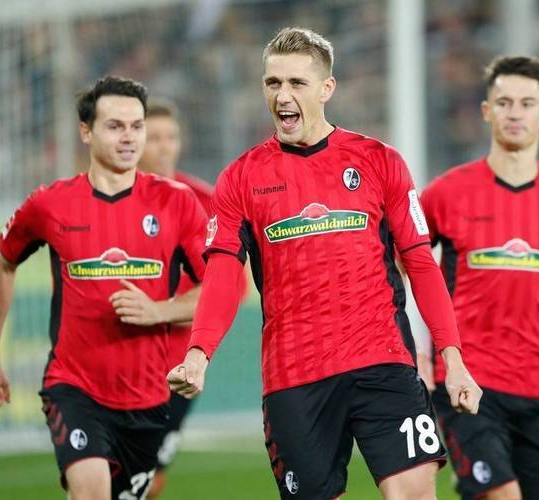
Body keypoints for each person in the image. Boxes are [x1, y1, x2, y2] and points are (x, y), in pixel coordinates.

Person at [167, 27, 482, 499]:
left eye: (297, 82)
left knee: (415, 492)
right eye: (273, 83)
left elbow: (420, 264)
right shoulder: (240, 179)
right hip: (295, 376)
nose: (283, 95)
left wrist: (452, 359)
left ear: (326, 88)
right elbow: (223, 275)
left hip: (382, 360)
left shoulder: (379, 161)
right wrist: (199, 352)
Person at [0, 76, 208, 500]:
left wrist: (160, 311)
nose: (129, 137)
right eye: (115, 126)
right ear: (86, 132)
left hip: (148, 396)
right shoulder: (50, 204)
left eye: (136, 126)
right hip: (73, 386)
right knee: (92, 491)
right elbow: (3, 262)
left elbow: (219, 290)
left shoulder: (178, 202)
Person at [419, 55, 539, 500]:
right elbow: (404, 264)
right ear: (487, 111)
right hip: (467, 382)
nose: (514, 113)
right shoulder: (446, 194)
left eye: (526, 103)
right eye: (504, 103)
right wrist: (417, 350)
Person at [137, 97, 246, 498]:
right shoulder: (114, 199)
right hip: (122, 354)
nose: (165, 147)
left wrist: (162, 311)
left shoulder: (203, 200)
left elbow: (234, 286)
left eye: (171, 137)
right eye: (155, 138)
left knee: (151, 473)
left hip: (178, 362)